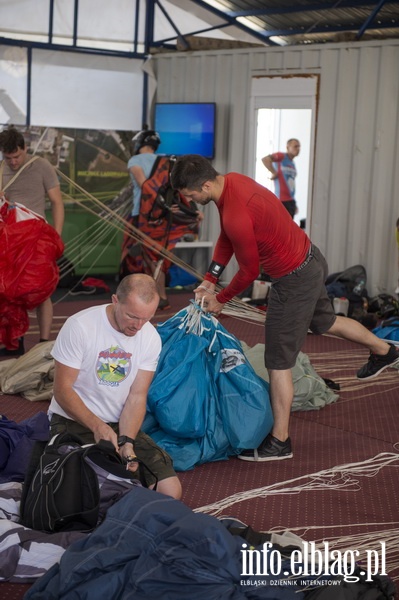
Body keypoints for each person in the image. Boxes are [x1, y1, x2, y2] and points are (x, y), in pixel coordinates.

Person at [170, 155, 399, 462]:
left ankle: (280, 441)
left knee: (278, 360)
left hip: (292, 281)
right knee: (325, 323)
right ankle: (385, 350)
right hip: (311, 259)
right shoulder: (233, 181)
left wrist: (221, 299)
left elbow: (249, 272)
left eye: (191, 195)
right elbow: (227, 235)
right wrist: (210, 279)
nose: (191, 201)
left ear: (207, 184)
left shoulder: (237, 212)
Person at [48, 273, 182, 499]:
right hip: (74, 420)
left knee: (170, 491)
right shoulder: (80, 326)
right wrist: (97, 426)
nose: (138, 326)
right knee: (93, 493)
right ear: (115, 300)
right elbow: (62, 390)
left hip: (119, 425)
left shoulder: (149, 336)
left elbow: (137, 397)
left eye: (146, 318)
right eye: (132, 316)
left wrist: (127, 441)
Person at [0, 126, 64, 355]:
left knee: (42, 290)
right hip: (10, 239)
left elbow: (57, 202)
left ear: (25, 148)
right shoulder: (0, 169)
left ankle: (44, 341)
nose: (13, 162)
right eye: (8, 158)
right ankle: (15, 340)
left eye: (17, 156)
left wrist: (56, 235)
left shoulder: (42, 166)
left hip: (38, 238)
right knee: (9, 292)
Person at [262, 138, 300, 219]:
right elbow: (265, 159)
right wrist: (274, 172)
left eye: (299, 146)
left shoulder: (292, 163)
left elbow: (291, 185)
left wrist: (294, 203)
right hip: (282, 201)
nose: (298, 149)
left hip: (290, 202)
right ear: (288, 147)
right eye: (295, 146)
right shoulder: (282, 156)